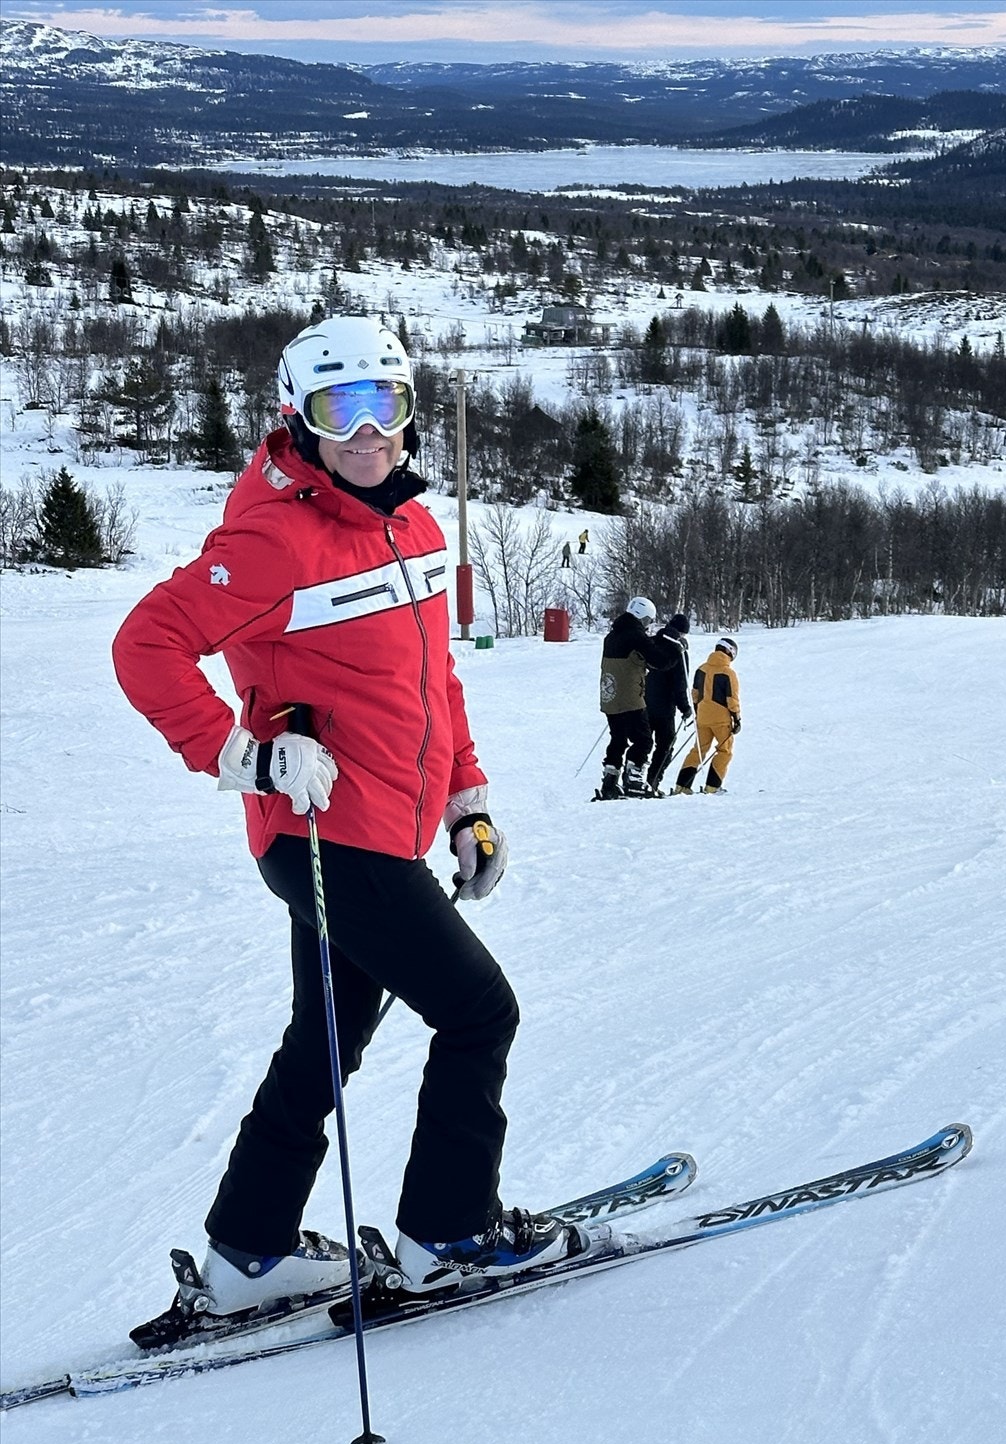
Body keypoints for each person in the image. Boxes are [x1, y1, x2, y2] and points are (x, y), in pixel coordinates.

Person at [111, 314, 576, 1324]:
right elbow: (144, 645)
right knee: (479, 1010)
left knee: (324, 1039)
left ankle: (249, 1255)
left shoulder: (409, 522)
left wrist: (467, 799)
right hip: (327, 834)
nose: (369, 431)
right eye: (341, 408)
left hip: (386, 829)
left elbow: (432, 677)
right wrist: (245, 755)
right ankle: (447, 1234)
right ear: (300, 419)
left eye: (388, 405)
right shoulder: (274, 539)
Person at [597, 596, 679, 799]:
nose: (648, 626)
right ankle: (634, 780)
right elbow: (659, 661)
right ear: (642, 617)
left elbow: (636, 651)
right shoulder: (636, 636)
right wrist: (676, 650)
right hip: (630, 697)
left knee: (618, 739)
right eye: (648, 621)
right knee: (643, 740)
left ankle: (610, 781)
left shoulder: (612, 636)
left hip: (609, 697)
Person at [674, 636, 741, 795]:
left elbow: (695, 694)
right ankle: (712, 787)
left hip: (703, 717)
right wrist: (737, 719)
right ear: (729, 652)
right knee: (724, 751)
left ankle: (681, 786)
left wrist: (698, 712)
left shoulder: (701, 669)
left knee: (698, 750)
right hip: (721, 719)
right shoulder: (728, 672)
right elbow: (732, 699)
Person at [645, 612, 691, 796]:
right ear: (682, 633)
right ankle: (653, 780)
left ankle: (631, 777)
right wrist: (685, 708)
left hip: (643, 703)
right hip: (664, 708)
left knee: (642, 743)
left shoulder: (652, 642)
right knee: (665, 745)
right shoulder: (678, 650)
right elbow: (680, 684)